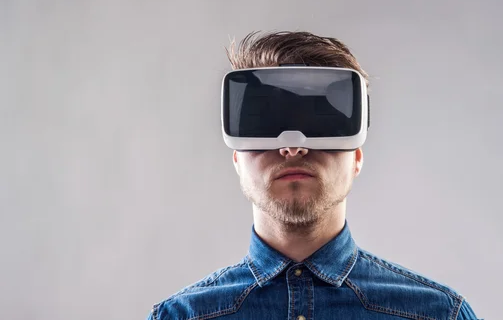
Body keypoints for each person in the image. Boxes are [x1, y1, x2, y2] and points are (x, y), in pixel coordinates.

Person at [146, 31, 481, 320]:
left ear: (357, 158)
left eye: (320, 124)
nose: (293, 147)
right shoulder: (180, 317)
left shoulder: (439, 315)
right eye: (266, 124)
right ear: (237, 159)